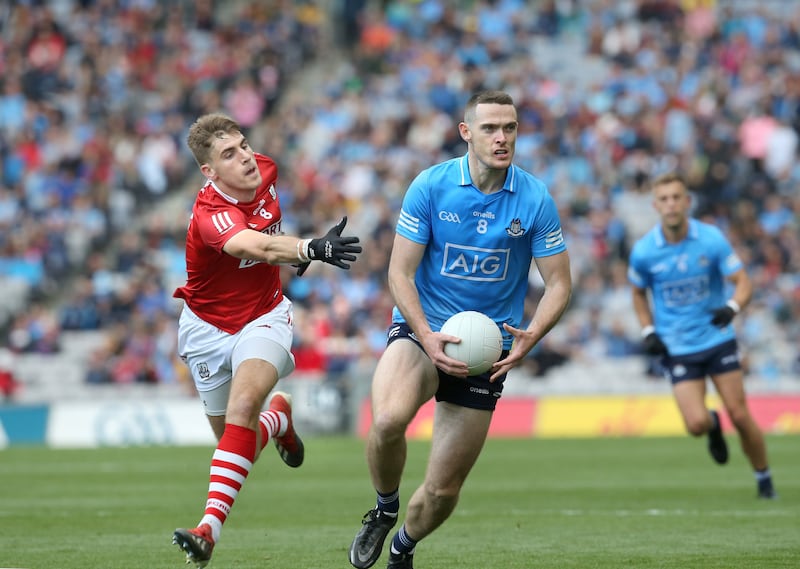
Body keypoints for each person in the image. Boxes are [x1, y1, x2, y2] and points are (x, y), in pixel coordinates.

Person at [348, 90, 572, 569]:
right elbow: (399, 273)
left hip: (488, 351)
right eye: (490, 128)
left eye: (509, 128)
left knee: (444, 489)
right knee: (387, 421)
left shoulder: (534, 198)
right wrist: (426, 336)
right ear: (466, 133)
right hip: (423, 332)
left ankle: (403, 545)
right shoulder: (431, 186)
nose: (502, 138)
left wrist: (532, 334)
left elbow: (559, 284)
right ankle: (385, 508)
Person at [171, 113, 362, 568]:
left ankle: (207, 531)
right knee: (236, 440)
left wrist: (296, 252)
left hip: (265, 316)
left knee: (240, 414)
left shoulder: (265, 168)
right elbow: (254, 246)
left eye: (243, 145)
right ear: (209, 172)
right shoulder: (209, 214)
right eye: (229, 155)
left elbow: (269, 235)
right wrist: (309, 249)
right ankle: (277, 419)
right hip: (205, 329)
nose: (245, 158)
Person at [627, 172, 776, 499]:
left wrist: (732, 308)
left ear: (687, 201)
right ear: (655, 205)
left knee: (739, 413)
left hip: (716, 338)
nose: (671, 204)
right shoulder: (644, 252)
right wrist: (648, 329)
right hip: (677, 346)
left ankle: (764, 478)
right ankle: (711, 423)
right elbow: (637, 293)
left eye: (676, 197)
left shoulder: (711, 239)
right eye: (664, 199)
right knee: (695, 425)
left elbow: (743, 280)